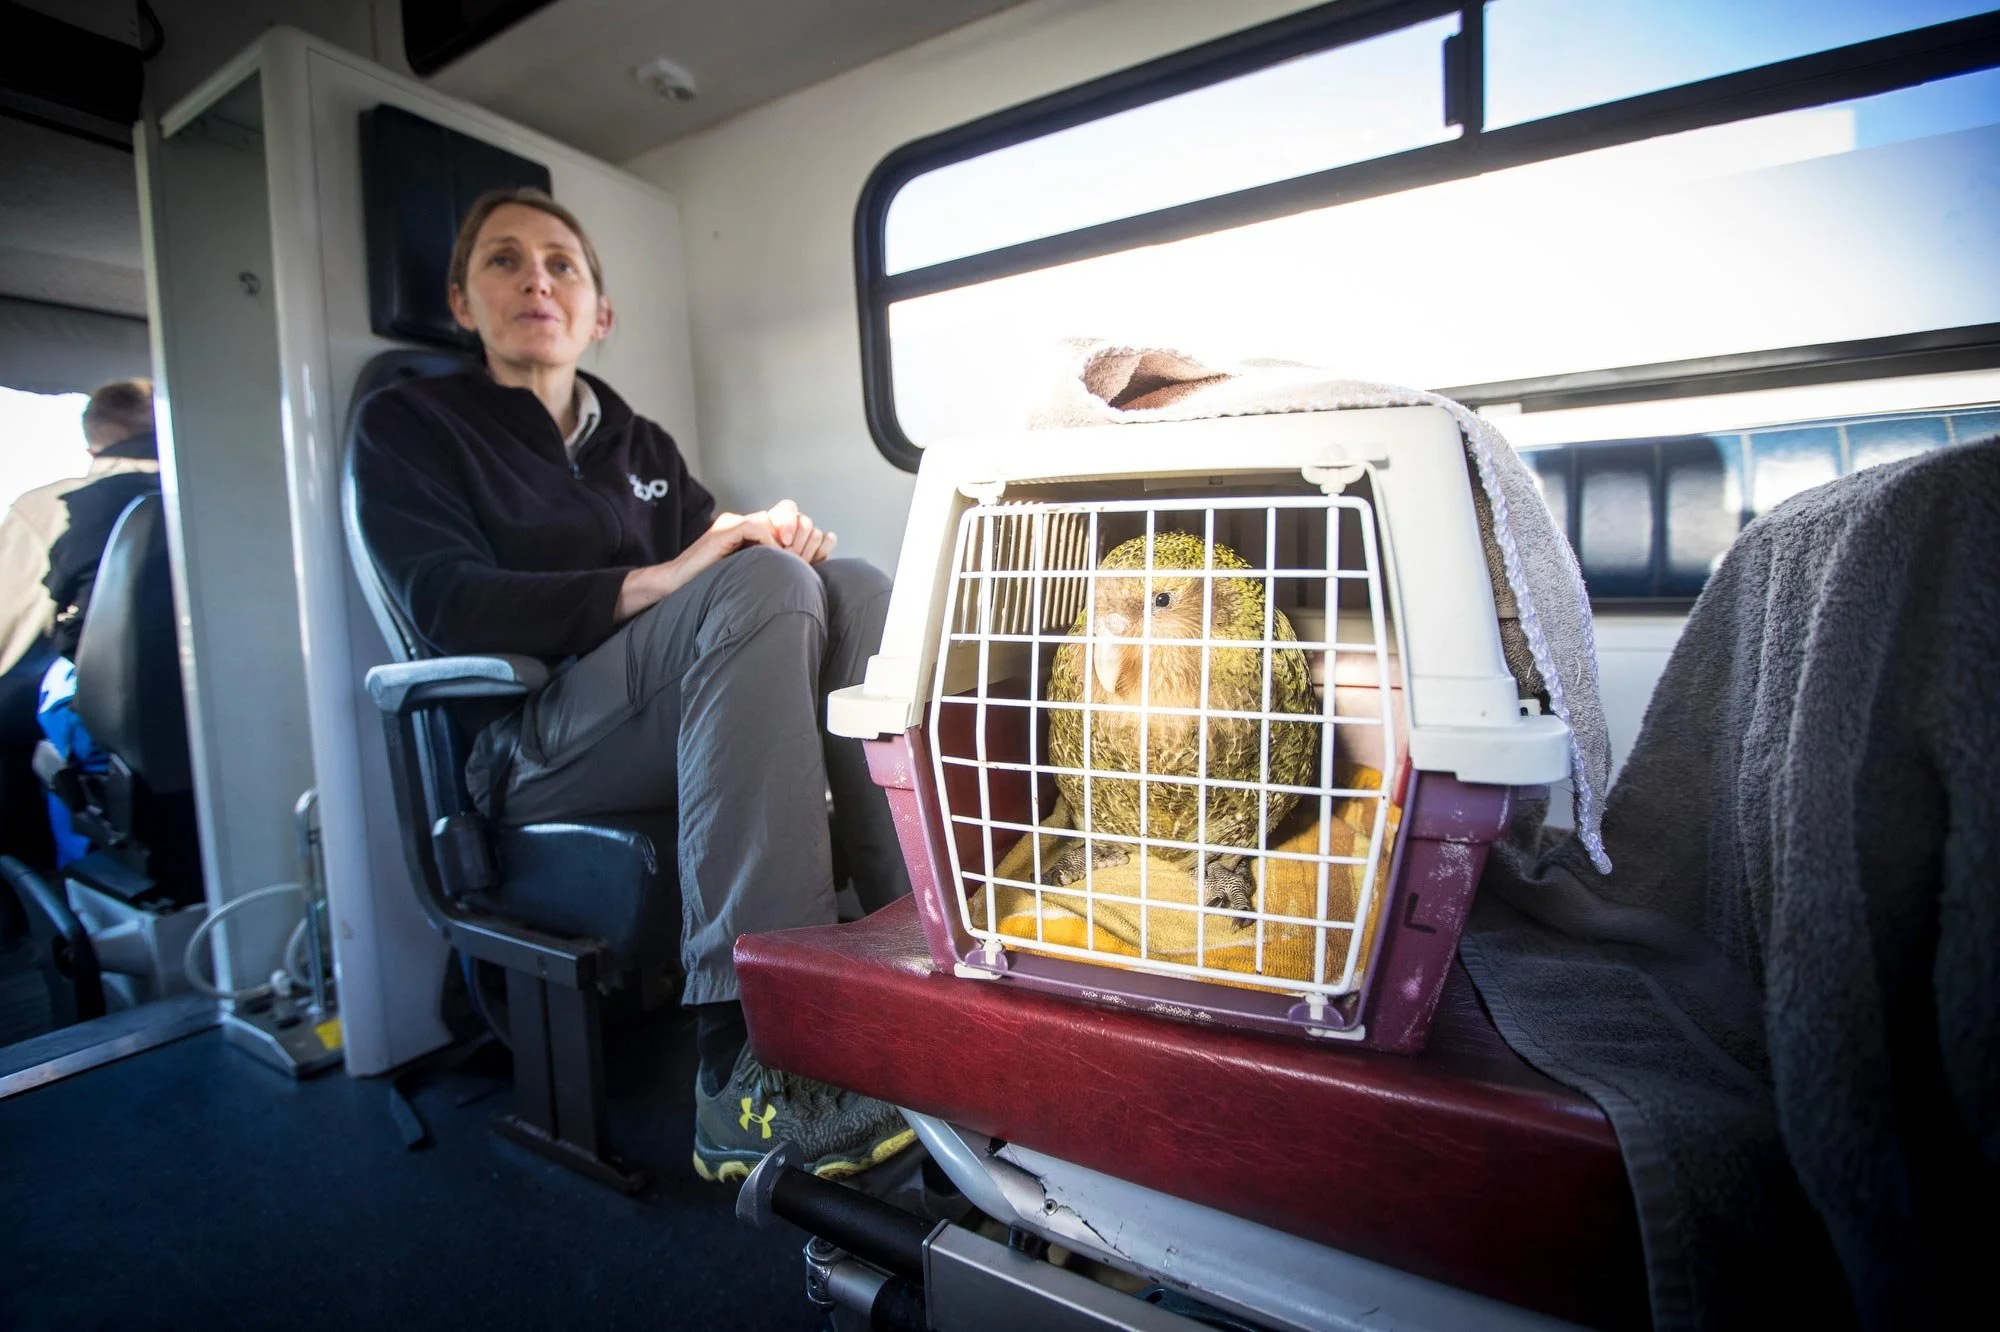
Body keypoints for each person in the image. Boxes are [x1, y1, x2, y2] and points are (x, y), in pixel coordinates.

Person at [351, 188, 914, 1182]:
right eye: (504, 261)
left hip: (653, 716)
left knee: (851, 584)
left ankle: (909, 963)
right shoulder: (412, 422)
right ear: (459, 301)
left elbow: (725, 578)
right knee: (766, 584)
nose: (536, 278)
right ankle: (747, 1060)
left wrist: (777, 549)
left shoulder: (638, 445)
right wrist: (667, 578)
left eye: (561, 263)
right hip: (525, 744)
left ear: (597, 313)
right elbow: (443, 600)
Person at [0, 380, 160, 872]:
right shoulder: (220, 496)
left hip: (104, 715)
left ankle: (35, 892)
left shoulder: (49, 506)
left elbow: (8, 627)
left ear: (93, 443)